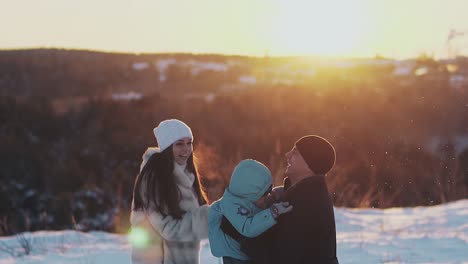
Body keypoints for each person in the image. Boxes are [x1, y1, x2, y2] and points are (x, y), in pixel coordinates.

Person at [235, 135, 339, 264]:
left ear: (309, 164)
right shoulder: (302, 194)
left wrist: (242, 234)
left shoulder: (307, 204)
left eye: (295, 152)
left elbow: (280, 256)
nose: (287, 154)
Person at [130, 119, 208, 264]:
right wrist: (210, 217)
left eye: (189, 142)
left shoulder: (186, 175)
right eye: (179, 144)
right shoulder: (154, 179)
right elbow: (168, 227)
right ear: (167, 147)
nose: (186, 149)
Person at [208, 159, 293, 264]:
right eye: (264, 194)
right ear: (249, 194)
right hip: (234, 256)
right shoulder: (232, 207)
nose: (268, 197)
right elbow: (247, 228)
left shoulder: (247, 197)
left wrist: (285, 191)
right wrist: (273, 212)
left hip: (245, 253)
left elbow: (266, 197)